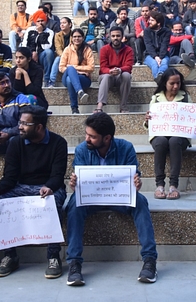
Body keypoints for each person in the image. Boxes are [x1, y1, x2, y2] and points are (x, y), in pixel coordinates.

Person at [65, 112, 158, 286]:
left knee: (140, 201)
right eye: (86, 134)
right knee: (73, 203)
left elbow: (134, 176)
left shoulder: (126, 148)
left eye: (92, 136)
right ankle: (74, 263)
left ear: (107, 138)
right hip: (91, 199)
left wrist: (136, 183)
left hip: (119, 198)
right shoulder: (81, 150)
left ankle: (150, 260)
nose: (87, 139)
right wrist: (75, 184)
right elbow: (80, 181)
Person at [0, 106, 67, 280]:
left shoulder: (58, 143)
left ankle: (53, 256)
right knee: (0, 202)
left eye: (25, 124)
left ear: (39, 127)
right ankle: (10, 255)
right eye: (20, 122)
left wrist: (49, 186)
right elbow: (9, 178)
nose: (19, 127)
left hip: (49, 187)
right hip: (20, 187)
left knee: (53, 203)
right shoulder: (15, 143)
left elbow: (58, 176)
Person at [145, 69, 196, 200]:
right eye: (172, 83)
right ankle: (159, 184)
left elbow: (193, 124)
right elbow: (149, 126)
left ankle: (173, 185)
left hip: (180, 137)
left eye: (178, 83)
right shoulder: (156, 99)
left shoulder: (185, 97)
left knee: (174, 141)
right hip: (159, 135)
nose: (175, 86)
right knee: (161, 142)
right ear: (165, 83)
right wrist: (148, 120)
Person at [0, 72, 31, 154]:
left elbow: (25, 123)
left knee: (14, 141)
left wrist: (8, 134)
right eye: (2, 83)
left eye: (7, 81)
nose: (7, 85)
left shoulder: (21, 98)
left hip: (17, 134)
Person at [96, 26, 133, 113]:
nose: (115, 38)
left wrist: (119, 70)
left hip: (120, 76)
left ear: (122, 36)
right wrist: (109, 71)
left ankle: (123, 106)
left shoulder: (129, 50)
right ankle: (99, 106)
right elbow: (103, 67)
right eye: (113, 36)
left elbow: (129, 66)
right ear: (109, 36)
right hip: (107, 75)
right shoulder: (104, 49)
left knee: (127, 75)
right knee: (106, 76)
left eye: (118, 36)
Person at [59, 28, 95, 114]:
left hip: (84, 79)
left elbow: (91, 68)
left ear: (83, 38)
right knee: (70, 70)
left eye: (79, 36)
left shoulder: (87, 50)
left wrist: (74, 68)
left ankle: (74, 109)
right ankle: (80, 91)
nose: (77, 38)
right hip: (69, 75)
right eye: (74, 36)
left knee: (69, 80)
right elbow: (61, 67)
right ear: (71, 38)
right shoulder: (67, 49)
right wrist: (76, 71)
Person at [21, 10, 54, 85]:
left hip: (42, 56)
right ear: (35, 22)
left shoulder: (49, 32)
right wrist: (33, 52)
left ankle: (46, 79)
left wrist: (41, 33)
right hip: (30, 55)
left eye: (42, 20)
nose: (40, 23)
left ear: (45, 21)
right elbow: (25, 44)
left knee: (49, 52)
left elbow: (47, 46)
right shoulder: (30, 30)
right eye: (38, 21)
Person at [143, 11, 171, 83]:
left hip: (163, 55)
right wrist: (155, 57)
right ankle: (160, 81)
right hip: (149, 55)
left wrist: (160, 57)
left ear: (158, 23)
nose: (149, 22)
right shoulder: (146, 31)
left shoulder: (166, 31)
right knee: (154, 64)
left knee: (164, 63)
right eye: (149, 19)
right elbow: (148, 45)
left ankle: (160, 75)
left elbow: (164, 45)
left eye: (152, 20)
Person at [48, 16, 72, 87]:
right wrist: (63, 56)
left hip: (72, 55)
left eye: (64, 23)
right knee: (58, 58)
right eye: (61, 23)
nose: (62, 24)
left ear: (70, 24)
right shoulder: (57, 35)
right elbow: (58, 48)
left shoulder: (74, 34)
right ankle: (51, 81)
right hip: (62, 55)